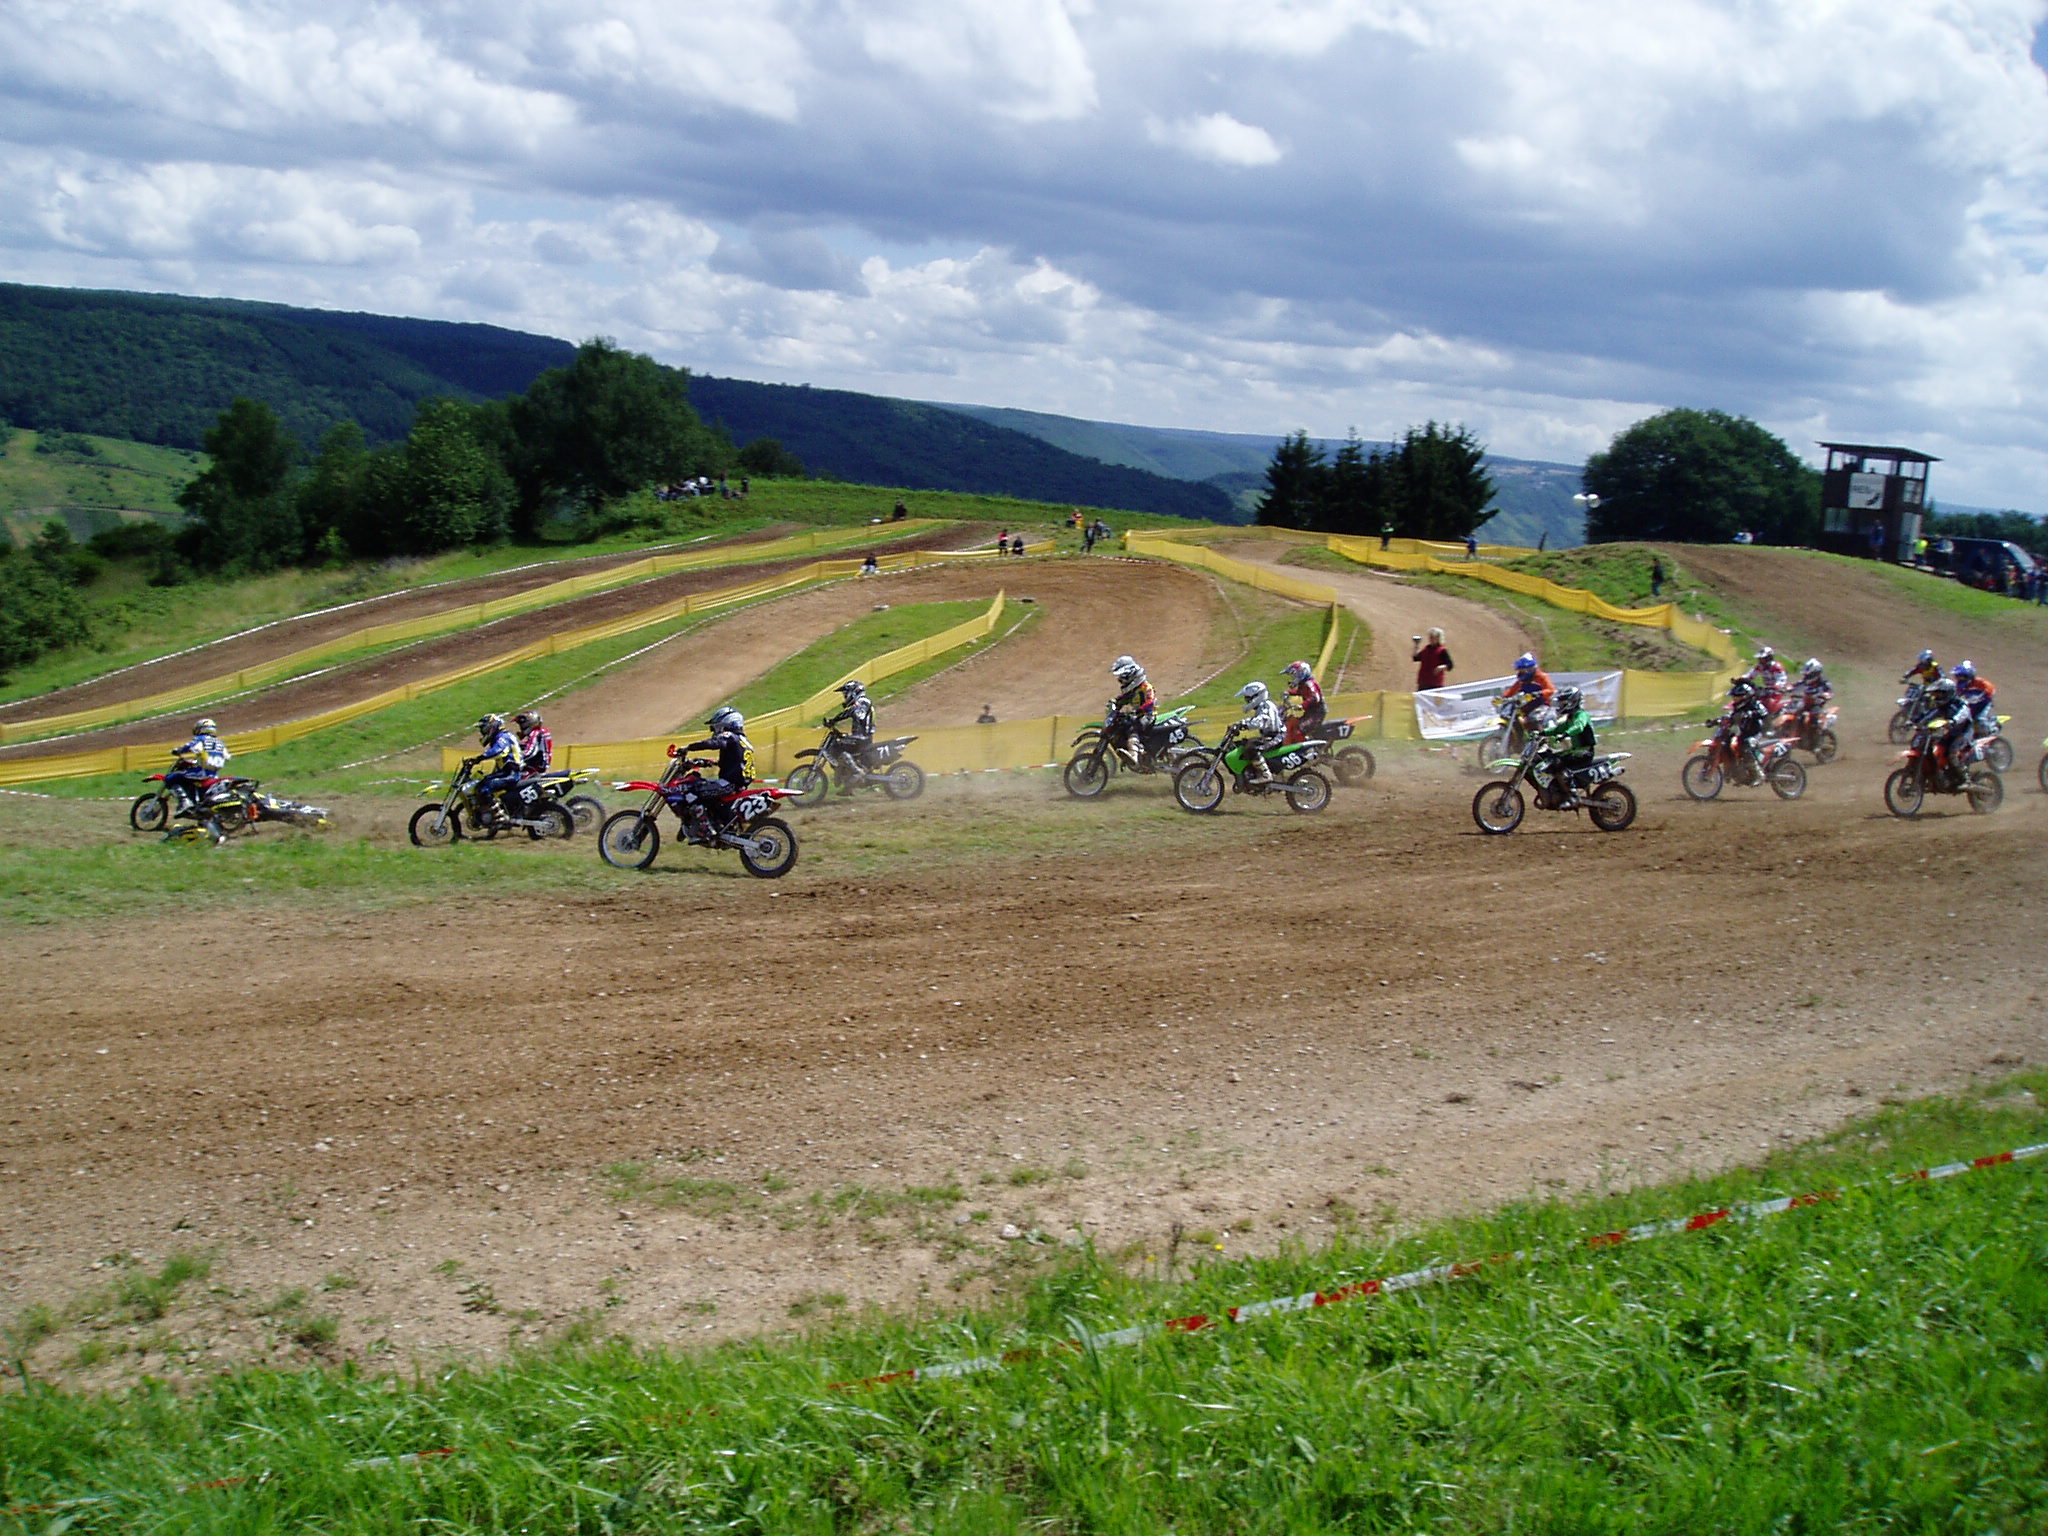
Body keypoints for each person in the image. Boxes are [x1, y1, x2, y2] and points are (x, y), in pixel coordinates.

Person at [677, 705, 756, 838]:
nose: (714, 730)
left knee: (692, 789)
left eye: (715, 727)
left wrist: (689, 747)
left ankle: (705, 829)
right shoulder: (743, 741)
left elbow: (714, 743)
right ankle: (708, 822)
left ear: (726, 723)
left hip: (729, 784)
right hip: (738, 784)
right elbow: (734, 761)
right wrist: (707, 762)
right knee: (705, 792)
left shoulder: (729, 736)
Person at [1535, 684, 1598, 794]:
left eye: (1563, 703)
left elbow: (1578, 726)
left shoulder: (1581, 715)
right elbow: (1558, 728)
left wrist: (1565, 734)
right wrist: (1542, 733)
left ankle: (1571, 791)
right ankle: (1557, 788)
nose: (1560, 705)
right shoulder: (1571, 717)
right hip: (1576, 751)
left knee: (1556, 762)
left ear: (1572, 702)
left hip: (1584, 751)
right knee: (1549, 757)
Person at [466, 714, 525, 825]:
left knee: (484, 787)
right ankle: (493, 812)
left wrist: (480, 758)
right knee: (484, 782)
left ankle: (499, 816)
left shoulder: (503, 737)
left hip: (512, 773)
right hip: (508, 772)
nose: (482, 732)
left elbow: (498, 751)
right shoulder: (501, 736)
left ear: (492, 726)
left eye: (484, 729)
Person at [165, 716, 231, 813]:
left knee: (171, 778)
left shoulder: (201, 739)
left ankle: (184, 802)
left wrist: (178, 750)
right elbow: (228, 757)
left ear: (201, 729)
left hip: (202, 772)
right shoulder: (220, 743)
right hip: (214, 775)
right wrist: (196, 761)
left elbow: (188, 746)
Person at [823, 679, 876, 781]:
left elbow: (855, 712)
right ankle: (847, 776)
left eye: (846, 694)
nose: (845, 697)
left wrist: (834, 719)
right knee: (840, 741)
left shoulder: (863, 701)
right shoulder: (860, 702)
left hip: (862, 737)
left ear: (853, 692)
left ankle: (857, 772)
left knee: (837, 746)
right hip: (859, 737)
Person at [1108, 655, 1156, 764]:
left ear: (1131, 676)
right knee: (1123, 725)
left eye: (1123, 678)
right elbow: (1124, 698)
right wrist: (1115, 702)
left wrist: (1139, 710)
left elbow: (1150, 702)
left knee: (1133, 729)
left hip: (1147, 716)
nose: (1121, 681)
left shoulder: (1145, 687)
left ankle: (1134, 755)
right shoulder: (1134, 690)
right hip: (1138, 715)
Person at [1235, 680, 1285, 783]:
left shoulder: (1266, 706)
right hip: (1270, 736)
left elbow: (1262, 721)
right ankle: (1253, 771)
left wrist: (1245, 725)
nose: (1247, 702)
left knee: (1251, 748)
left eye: (1248, 699)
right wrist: (1241, 722)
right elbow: (1256, 719)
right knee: (1243, 744)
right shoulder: (1262, 706)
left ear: (1256, 696)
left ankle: (1266, 774)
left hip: (1275, 737)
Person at [1725, 677, 1772, 773]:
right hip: (1744, 733)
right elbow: (1732, 716)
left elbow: (1764, 713)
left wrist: (1750, 714)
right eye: (1734, 696)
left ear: (1745, 696)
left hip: (1758, 732)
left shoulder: (1755, 704)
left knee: (1746, 745)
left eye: (1737, 696)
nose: (1734, 699)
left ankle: (1757, 773)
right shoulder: (1738, 707)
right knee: (1728, 741)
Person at [1953, 661, 1997, 754]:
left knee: (1980, 720)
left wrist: (1981, 697)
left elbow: (1992, 690)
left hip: (1984, 705)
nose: (1960, 679)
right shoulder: (1959, 686)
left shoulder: (1980, 682)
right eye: (1958, 676)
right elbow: (1956, 695)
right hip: (1971, 706)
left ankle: (1991, 730)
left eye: (1962, 676)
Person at [1281, 660, 1326, 740]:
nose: (1293, 678)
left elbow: (1315, 697)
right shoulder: (1303, 684)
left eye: (1294, 675)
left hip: (1317, 713)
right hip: (1310, 712)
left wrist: (1302, 705)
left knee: (1300, 728)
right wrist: (1289, 692)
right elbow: (1300, 692)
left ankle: (1305, 747)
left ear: (1301, 673)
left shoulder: (1310, 684)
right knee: (1294, 724)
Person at [1745, 645, 1789, 711]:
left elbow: (1781, 680)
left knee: (1769, 704)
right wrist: (1741, 679)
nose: (1760, 660)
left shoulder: (1776, 667)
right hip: (1766, 690)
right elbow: (1750, 675)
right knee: (1753, 700)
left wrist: (1775, 686)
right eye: (1759, 658)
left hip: (1776, 692)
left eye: (1762, 658)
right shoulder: (1760, 666)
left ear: (1769, 658)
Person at [514, 710, 553, 775]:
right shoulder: (543, 731)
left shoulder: (534, 733)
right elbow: (532, 744)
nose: (521, 727)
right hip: (542, 765)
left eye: (521, 724)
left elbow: (529, 752)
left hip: (535, 768)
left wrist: (515, 758)